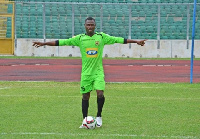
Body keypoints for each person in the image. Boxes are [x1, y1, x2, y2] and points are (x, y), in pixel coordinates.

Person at [32, 17, 147, 129]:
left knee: (100, 93)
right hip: (86, 73)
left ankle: (99, 116)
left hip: (98, 72)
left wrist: (136, 41)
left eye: (92, 25)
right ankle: (85, 120)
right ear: (85, 26)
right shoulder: (80, 38)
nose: (90, 27)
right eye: (88, 25)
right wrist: (44, 43)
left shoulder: (102, 37)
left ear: (95, 26)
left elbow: (119, 40)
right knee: (85, 96)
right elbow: (62, 42)